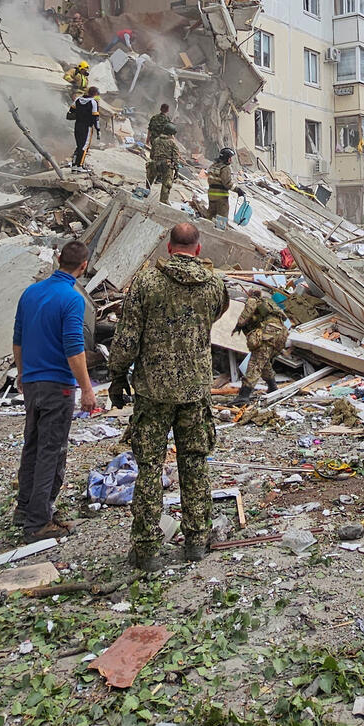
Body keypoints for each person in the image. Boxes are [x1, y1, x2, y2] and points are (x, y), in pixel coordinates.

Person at [107, 222, 229, 572]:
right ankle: (194, 541)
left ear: (169, 247)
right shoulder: (214, 285)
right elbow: (215, 315)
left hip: (153, 392)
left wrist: (117, 377)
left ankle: (145, 548)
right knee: (194, 464)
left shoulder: (146, 283)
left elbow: (127, 338)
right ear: (198, 249)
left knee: (148, 468)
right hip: (195, 391)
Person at [13, 241, 97, 542]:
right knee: (52, 451)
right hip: (57, 386)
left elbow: (18, 338)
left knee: (32, 446)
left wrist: (23, 374)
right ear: (83, 266)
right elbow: (74, 349)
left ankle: (24, 509)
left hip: (33, 382)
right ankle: (38, 522)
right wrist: (87, 389)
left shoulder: (31, 292)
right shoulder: (71, 299)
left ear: (58, 259)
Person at [234, 289, 289, 400]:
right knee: (264, 361)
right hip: (281, 333)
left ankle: (243, 396)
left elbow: (246, 314)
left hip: (269, 332)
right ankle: (272, 387)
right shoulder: (268, 302)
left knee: (255, 362)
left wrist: (238, 325)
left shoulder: (253, 300)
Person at [148, 122, 181, 205]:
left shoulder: (156, 140)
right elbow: (176, 158)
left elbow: (152, 155)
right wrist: (176, 170)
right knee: (167, 185)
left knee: (149, 180)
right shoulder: (172, 143)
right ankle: (163, 201)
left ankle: (146, 192)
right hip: (166, 166)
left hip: (154, 164)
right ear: (171, 134)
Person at [206, 147, 240, 221]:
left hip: (211, 195)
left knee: (210, 215)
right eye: (230, 158)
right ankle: (220, 232)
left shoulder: (213, 166)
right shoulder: (225, 168)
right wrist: (237, 190)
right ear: (226, 158)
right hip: (221, 197)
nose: (231, 160)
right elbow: (227, 183)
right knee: (222, 218)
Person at [70, 87, 100, 168]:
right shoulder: (93, 102)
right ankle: (80, 166)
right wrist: (98, 129)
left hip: (77, 125)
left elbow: (71, 110)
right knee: (84, 147)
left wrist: (80, 113)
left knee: (79, 146)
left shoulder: (78, 100)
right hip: (87, 127)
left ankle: (74, 166)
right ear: (95, 94)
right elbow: (95, 117)